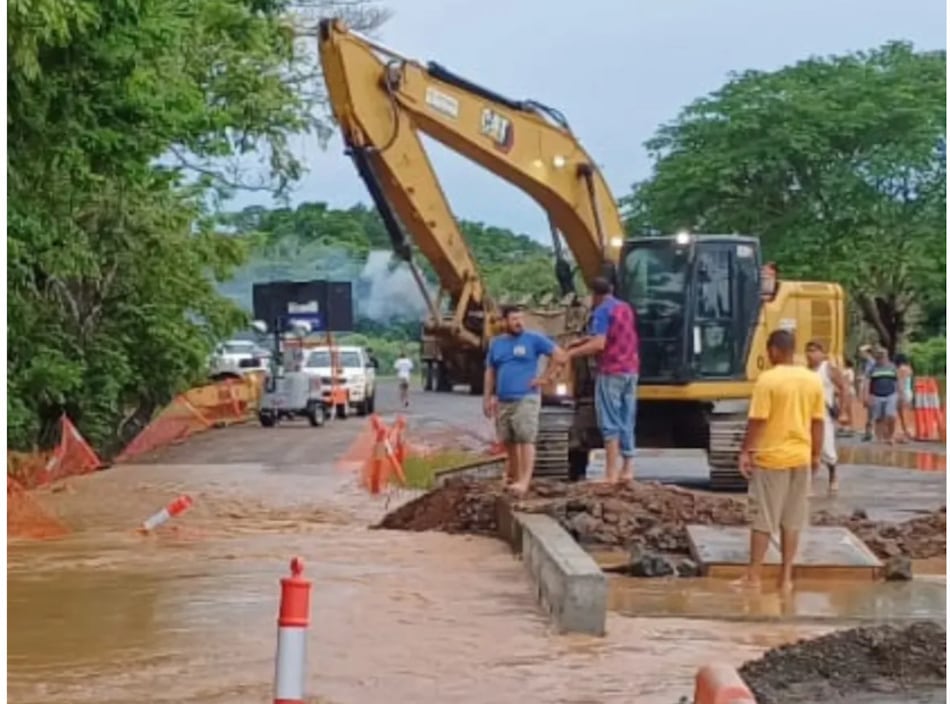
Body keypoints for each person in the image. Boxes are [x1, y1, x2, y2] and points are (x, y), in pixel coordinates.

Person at [738, 329, 824, 594]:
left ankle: (754, 575)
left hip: (771, 457)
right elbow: (817, 422)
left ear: (774, 350)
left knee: (763, 518)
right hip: (800, 457)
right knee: (792, 519)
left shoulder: (768, 380)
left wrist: (745, 451)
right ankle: (785, 577)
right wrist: (816, 455)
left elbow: (758, 420)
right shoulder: (811, 380)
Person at [483, 306, 567, 495]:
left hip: (526, 397)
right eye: (514, 319)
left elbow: (560, 355)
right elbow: (490, 371)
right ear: (504, 321)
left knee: (525, 437)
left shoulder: (533, 339)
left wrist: (545, 378)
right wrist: (487, 397)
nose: (519, 322)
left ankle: (525, 481)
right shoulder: (496, 344)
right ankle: (514, 476)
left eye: (521, 318)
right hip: (504, 399)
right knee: (509, 439)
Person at [567, 277, 640, 484]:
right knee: (627, 419)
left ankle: (610, 473)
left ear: (594, 295)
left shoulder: (601, 311)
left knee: (609, 421)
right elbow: (612, 336)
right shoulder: (624, 308)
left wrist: (570, 354)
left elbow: (600, 344)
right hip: (631, 370)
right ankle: (627, 469)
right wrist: (581, 341)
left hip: (611, 370)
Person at [805, 340, 849, 495]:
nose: (810, 354)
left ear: (822, 353)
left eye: (814, 350)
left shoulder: (828, 369)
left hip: (823, 413)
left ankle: (833, 475)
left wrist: (843, 411)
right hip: (806, 414)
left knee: (826, 447)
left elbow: (844, 387)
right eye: (808, 351)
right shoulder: (804, 371)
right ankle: (808, 482)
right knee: (807, 448)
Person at [866, 347, 900, 445]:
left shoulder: (892, 367)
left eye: (882, 355)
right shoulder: (873, 368)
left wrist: (901, 394)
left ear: (886, 356)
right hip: (877, 395)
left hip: (891, 394)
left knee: (891, 416)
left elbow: (897, 381)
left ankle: (890, 436)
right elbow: (868, 382)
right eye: (878, 355)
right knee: (879, 417)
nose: (880, 357)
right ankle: (879, 438)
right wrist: (867, 395)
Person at [894, 353, 914, 443]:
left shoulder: (900, 369)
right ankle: (906, 432)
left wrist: (900, 394)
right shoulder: (909, 369)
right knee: (905, 414)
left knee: (901, 415)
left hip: (902, 393)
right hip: (908, 391)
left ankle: (904, 434)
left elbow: (900, 382)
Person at [857, 344, 875, 441]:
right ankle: (868, 432)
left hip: (871, 389)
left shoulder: (872, 363)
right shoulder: (866, 363)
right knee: (870, 412)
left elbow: (869, 377)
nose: (860, 354)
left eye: (862, 352)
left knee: (872, 411)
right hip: (867, 388)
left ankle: (870, 432)